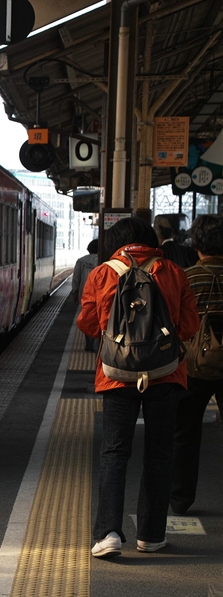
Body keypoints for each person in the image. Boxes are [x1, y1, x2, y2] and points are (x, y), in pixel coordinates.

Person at [77, 216, 198, 558]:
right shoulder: (173, 272)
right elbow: (189, 325)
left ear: (116, 242)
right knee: (159, 454)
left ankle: (108, 534)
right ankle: (151, 535)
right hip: (165, 374)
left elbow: (87, 323)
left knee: (115, 453)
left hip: (116, 375)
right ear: (149, 240)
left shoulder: (103, 273)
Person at [170, 214, 223, 515]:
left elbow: (175, 321)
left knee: (185, 435)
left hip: (193, 367)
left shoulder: (186, 277)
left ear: (196, 244)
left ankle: (180, 499)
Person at [70, 239, 100, 351]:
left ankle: (89, 343)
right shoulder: (104, 260)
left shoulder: (81, 261)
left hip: (85, 295)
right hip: (99, 294)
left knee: (87, 318)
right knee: (99, 318)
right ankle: (96, 343)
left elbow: (76, 279)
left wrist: (74, 293)